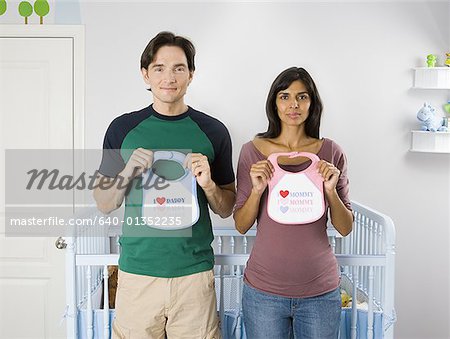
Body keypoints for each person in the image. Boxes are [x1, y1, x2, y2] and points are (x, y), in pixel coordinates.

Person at [94, 31, 236, 339]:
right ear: (145, 73)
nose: (168, 77)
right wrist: (127, 173)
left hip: (194, 276)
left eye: (178, 68)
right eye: (159, 68)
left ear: (191, 74)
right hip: (138, 274)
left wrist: (209, 184)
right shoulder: (122, 129)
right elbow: (104, 204)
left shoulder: (214, 131)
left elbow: (226, 208)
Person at [233, 67, 353, 339]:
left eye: (302, 97)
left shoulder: (331, 152)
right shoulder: (252, 152)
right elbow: (241, 224)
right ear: (274, 103)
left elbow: (345, 227)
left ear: (313, 103)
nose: (294, 105)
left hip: (320, 292)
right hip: (263, 292)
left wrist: (330, 192)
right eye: (285, 96)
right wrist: (256, 190)